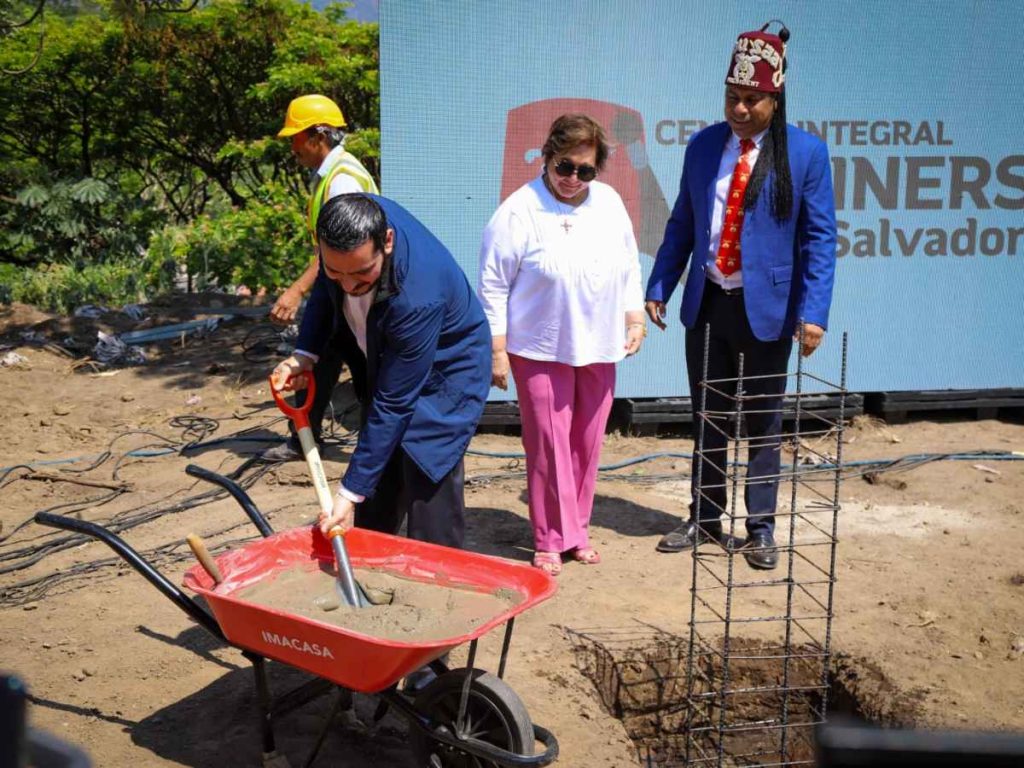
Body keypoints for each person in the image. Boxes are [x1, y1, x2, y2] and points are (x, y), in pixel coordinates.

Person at [644, 22, 837, 570]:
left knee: (763, 421)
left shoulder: (804, 154)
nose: (739, 109)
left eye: (751, 99)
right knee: (708, 415)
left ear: (774, 99)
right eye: (732, 97)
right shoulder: (705, 146)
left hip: (768, 313)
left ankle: (760, 528)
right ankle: (704, 518)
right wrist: (661, 283)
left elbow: (820, 239)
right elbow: (684, 220)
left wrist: (814, 313)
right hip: (709, 301)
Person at [270, 194, 491, 549]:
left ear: (386, 241)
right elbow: (327, 294)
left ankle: (436, 572)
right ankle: (373, 551)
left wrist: (348, 490)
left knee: (426, 462)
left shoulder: (419, 293)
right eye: (335, 272)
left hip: (447, 368)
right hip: (388, 349)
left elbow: (394, 402)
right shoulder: (346, 231)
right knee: (379, 468)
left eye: (361, 274)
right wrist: (304, 355)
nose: (349, 286)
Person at [478, 113, 646, 576]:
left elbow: (628, 263)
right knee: (549, 445)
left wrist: (634, 316)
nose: (573, 178)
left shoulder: (609, 203)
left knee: (587, 443)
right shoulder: (516, 212)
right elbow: (492, 285)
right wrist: (496, 349)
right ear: (548, 158)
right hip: (539, 347)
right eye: (565, 167)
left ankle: (577, 532)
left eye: (585, 170)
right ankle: (548, 538)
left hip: (599, 342)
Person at [263, 94, 379, 462]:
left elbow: (341, 251)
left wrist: (297, 290)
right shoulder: (332, 174)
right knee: (317, 356)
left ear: (317, 135)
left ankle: (380, 448)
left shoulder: (342, 181)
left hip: (352, 290)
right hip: (340, 289)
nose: (292, 147)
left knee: (362, 369)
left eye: (295, 137)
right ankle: (304, 437)